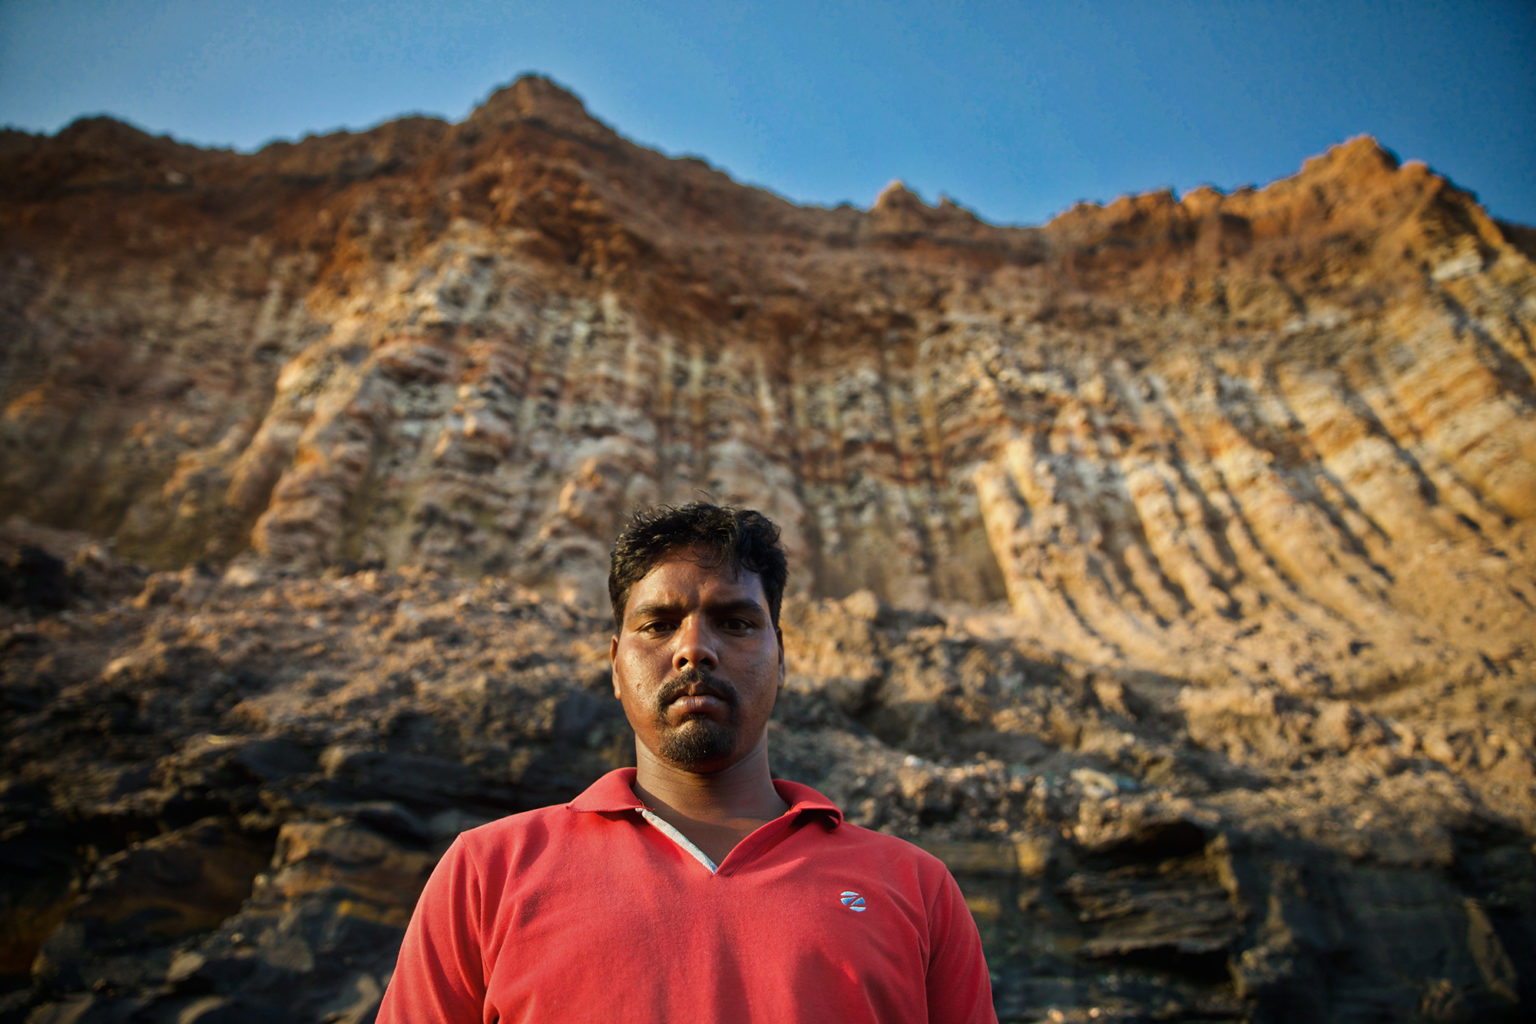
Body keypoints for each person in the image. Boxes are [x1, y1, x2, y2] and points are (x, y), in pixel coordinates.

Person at [376, 502, 997, 1023]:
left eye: (736, 622)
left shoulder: (916, 888)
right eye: (659, 624)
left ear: (782, 658)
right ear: (615, 665)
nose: (694, 649)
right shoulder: (488, 873)